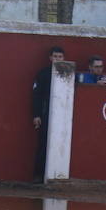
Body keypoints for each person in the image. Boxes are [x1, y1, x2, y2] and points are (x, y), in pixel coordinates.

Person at [31, 46, 65, 183]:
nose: (57, 59)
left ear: (63, 58)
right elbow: (36, 95)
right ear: (50, 58)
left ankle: (57, 176)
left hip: (63, 116)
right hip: (46, 114)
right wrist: (37, 115)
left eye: (60, 57)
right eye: (55, 56)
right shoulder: (43, 74)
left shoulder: (67, 74)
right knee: (43, 144)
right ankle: (39, 176)